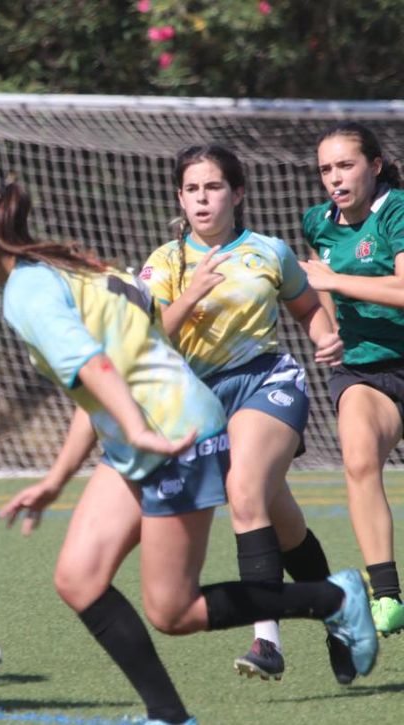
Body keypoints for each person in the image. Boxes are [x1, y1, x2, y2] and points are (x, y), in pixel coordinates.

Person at [0, 179, 377, 725]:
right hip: (146, 432)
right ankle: (168, 716)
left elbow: (97, 371)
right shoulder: (68, 263)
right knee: (79, 578)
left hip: (174, 433)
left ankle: (331, 600)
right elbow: (101, 381)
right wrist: (58, 477)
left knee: (173, 610)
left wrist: (138, 430)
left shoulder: (26, 293)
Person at [140, 144, 351, 683]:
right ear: (180, 199)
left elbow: (307, 309)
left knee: (245, 494)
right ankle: (339, 611)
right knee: (284, 524)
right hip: (201, 403)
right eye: (192, 189)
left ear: (237, 193)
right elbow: (145, 341)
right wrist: (190, 295)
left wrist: (328, 338)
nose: (203, 198)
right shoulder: (165, 262)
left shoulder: (268, 251)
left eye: (213, 187)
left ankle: (266, 642)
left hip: (267, 381)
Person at [299, 121, 404, 638]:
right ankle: (387, 596)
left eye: (346, 165)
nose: (334, 178)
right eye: (325, 169)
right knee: (359, 460)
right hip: (362, 369)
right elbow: (319, 281)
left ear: (375, 165)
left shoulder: (398, 211)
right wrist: (332, 330)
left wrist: (338, 282)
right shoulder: (317, 221)